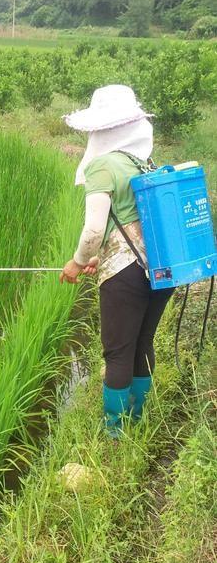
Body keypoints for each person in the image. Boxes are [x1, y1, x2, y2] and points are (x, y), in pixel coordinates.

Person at [59, 84, 175, 437]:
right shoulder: (141, 162)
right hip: (160, 269)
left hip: (126, 276)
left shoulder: (102, 165)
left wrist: (78, 262)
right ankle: (136, 419)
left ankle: (114, 432)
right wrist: (101, 259)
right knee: (143, 342)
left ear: (101, 129)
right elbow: (131, 224)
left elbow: (94, 230)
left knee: (117, 351)